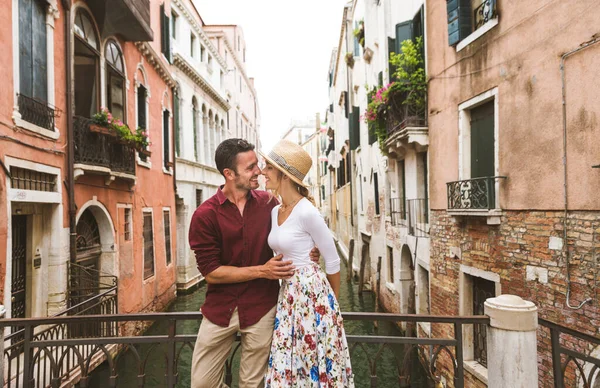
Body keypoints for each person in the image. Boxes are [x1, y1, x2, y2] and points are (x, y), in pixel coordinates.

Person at [188, 138, 319, 388]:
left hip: (262, 308)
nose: (258, 171)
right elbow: (211, 273)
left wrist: (310, 251)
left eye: (257, 165)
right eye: (250, 167)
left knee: (252, 384)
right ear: (229, 174)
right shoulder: (205, 215)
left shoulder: (270, 204)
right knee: (201, 384)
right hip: (220, 309)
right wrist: (262, 271)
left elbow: (291, 235)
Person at [260, 139, 354, 387]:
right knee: (288, 365)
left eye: (268, 167)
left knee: (312, 363)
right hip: (288, 296)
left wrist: (331, 309)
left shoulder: (307, 211)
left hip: (313, 297)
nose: (262, 171)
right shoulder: (274, 211)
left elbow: (333, 261)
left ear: (284, 175)